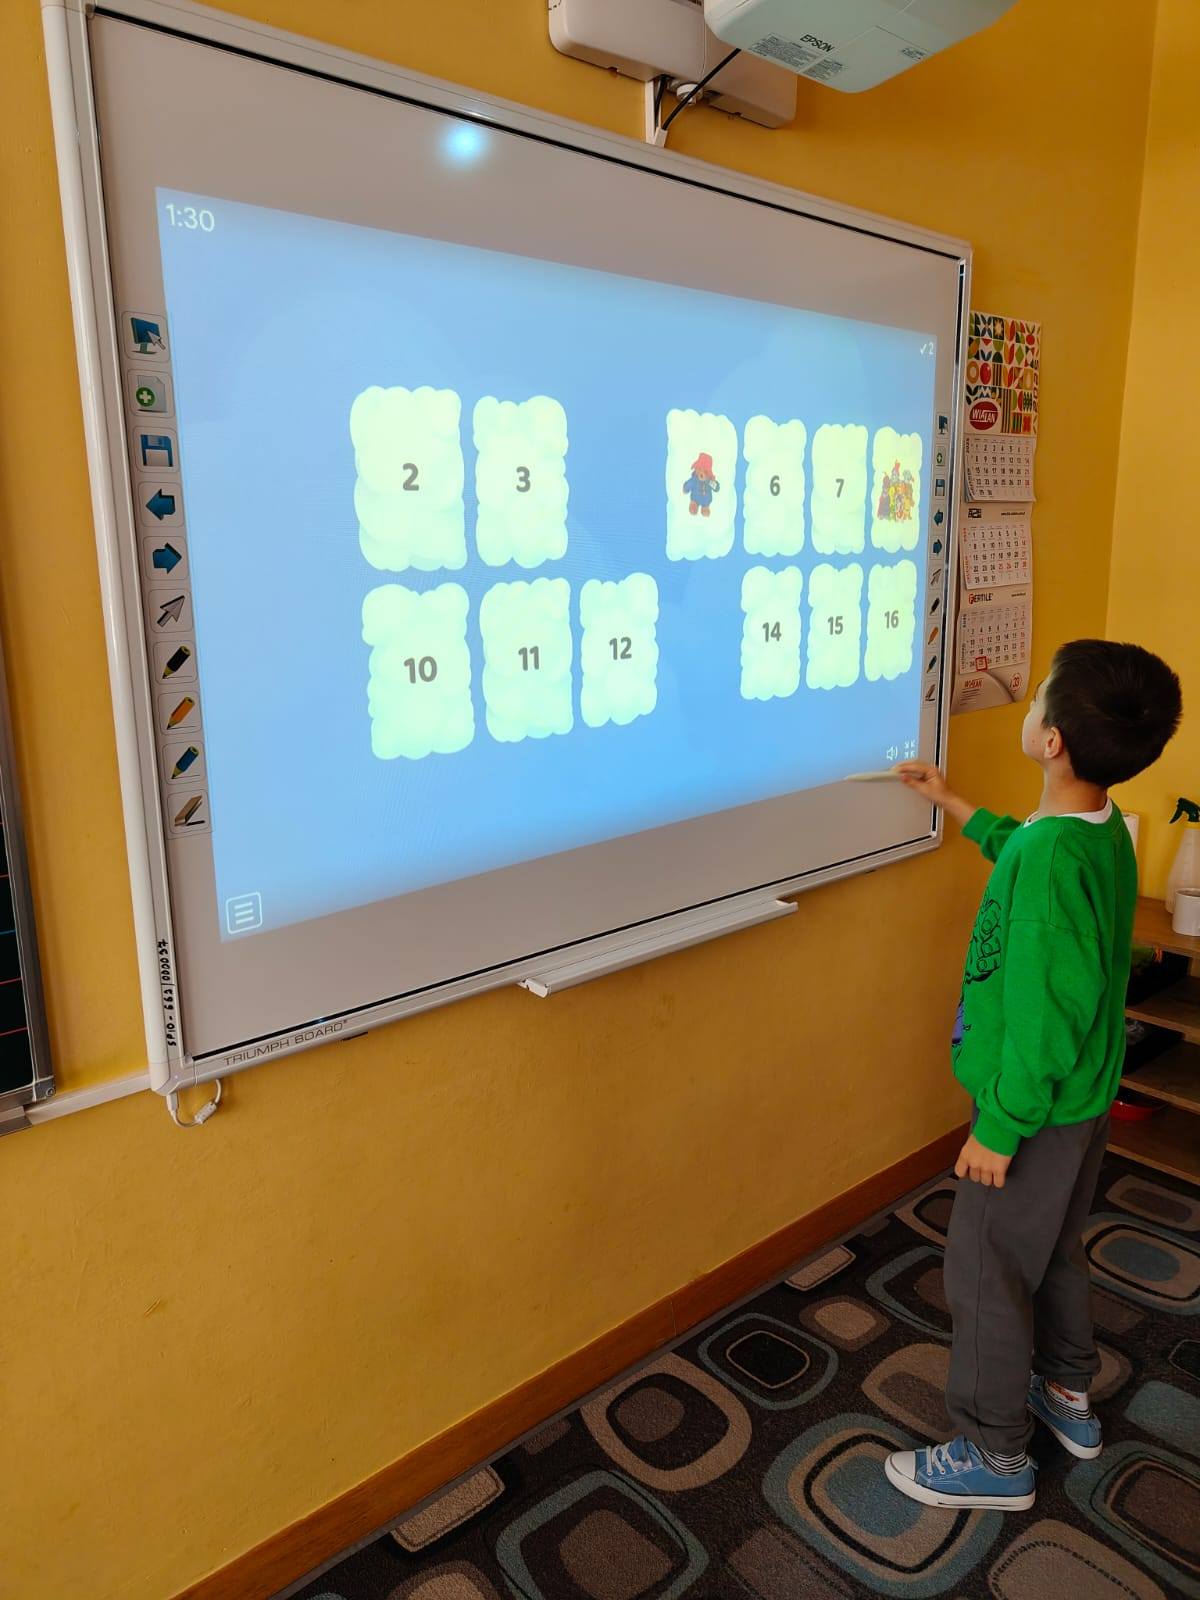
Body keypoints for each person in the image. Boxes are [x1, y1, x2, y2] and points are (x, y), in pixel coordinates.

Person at [885, 640, 1183, 1511]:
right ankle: (1065, 1389)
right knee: (1050, 1249)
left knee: (984, 1269)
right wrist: (956, 805)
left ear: (1051, 740)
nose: (1031, 704)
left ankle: (993, 1452)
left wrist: (1000, 1127)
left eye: (1038, 696)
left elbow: (1047, 1020)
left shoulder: (1052, 861)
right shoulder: (1096, 829)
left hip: (1036, 1110)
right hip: (1080, 1101)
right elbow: (1027, 853)